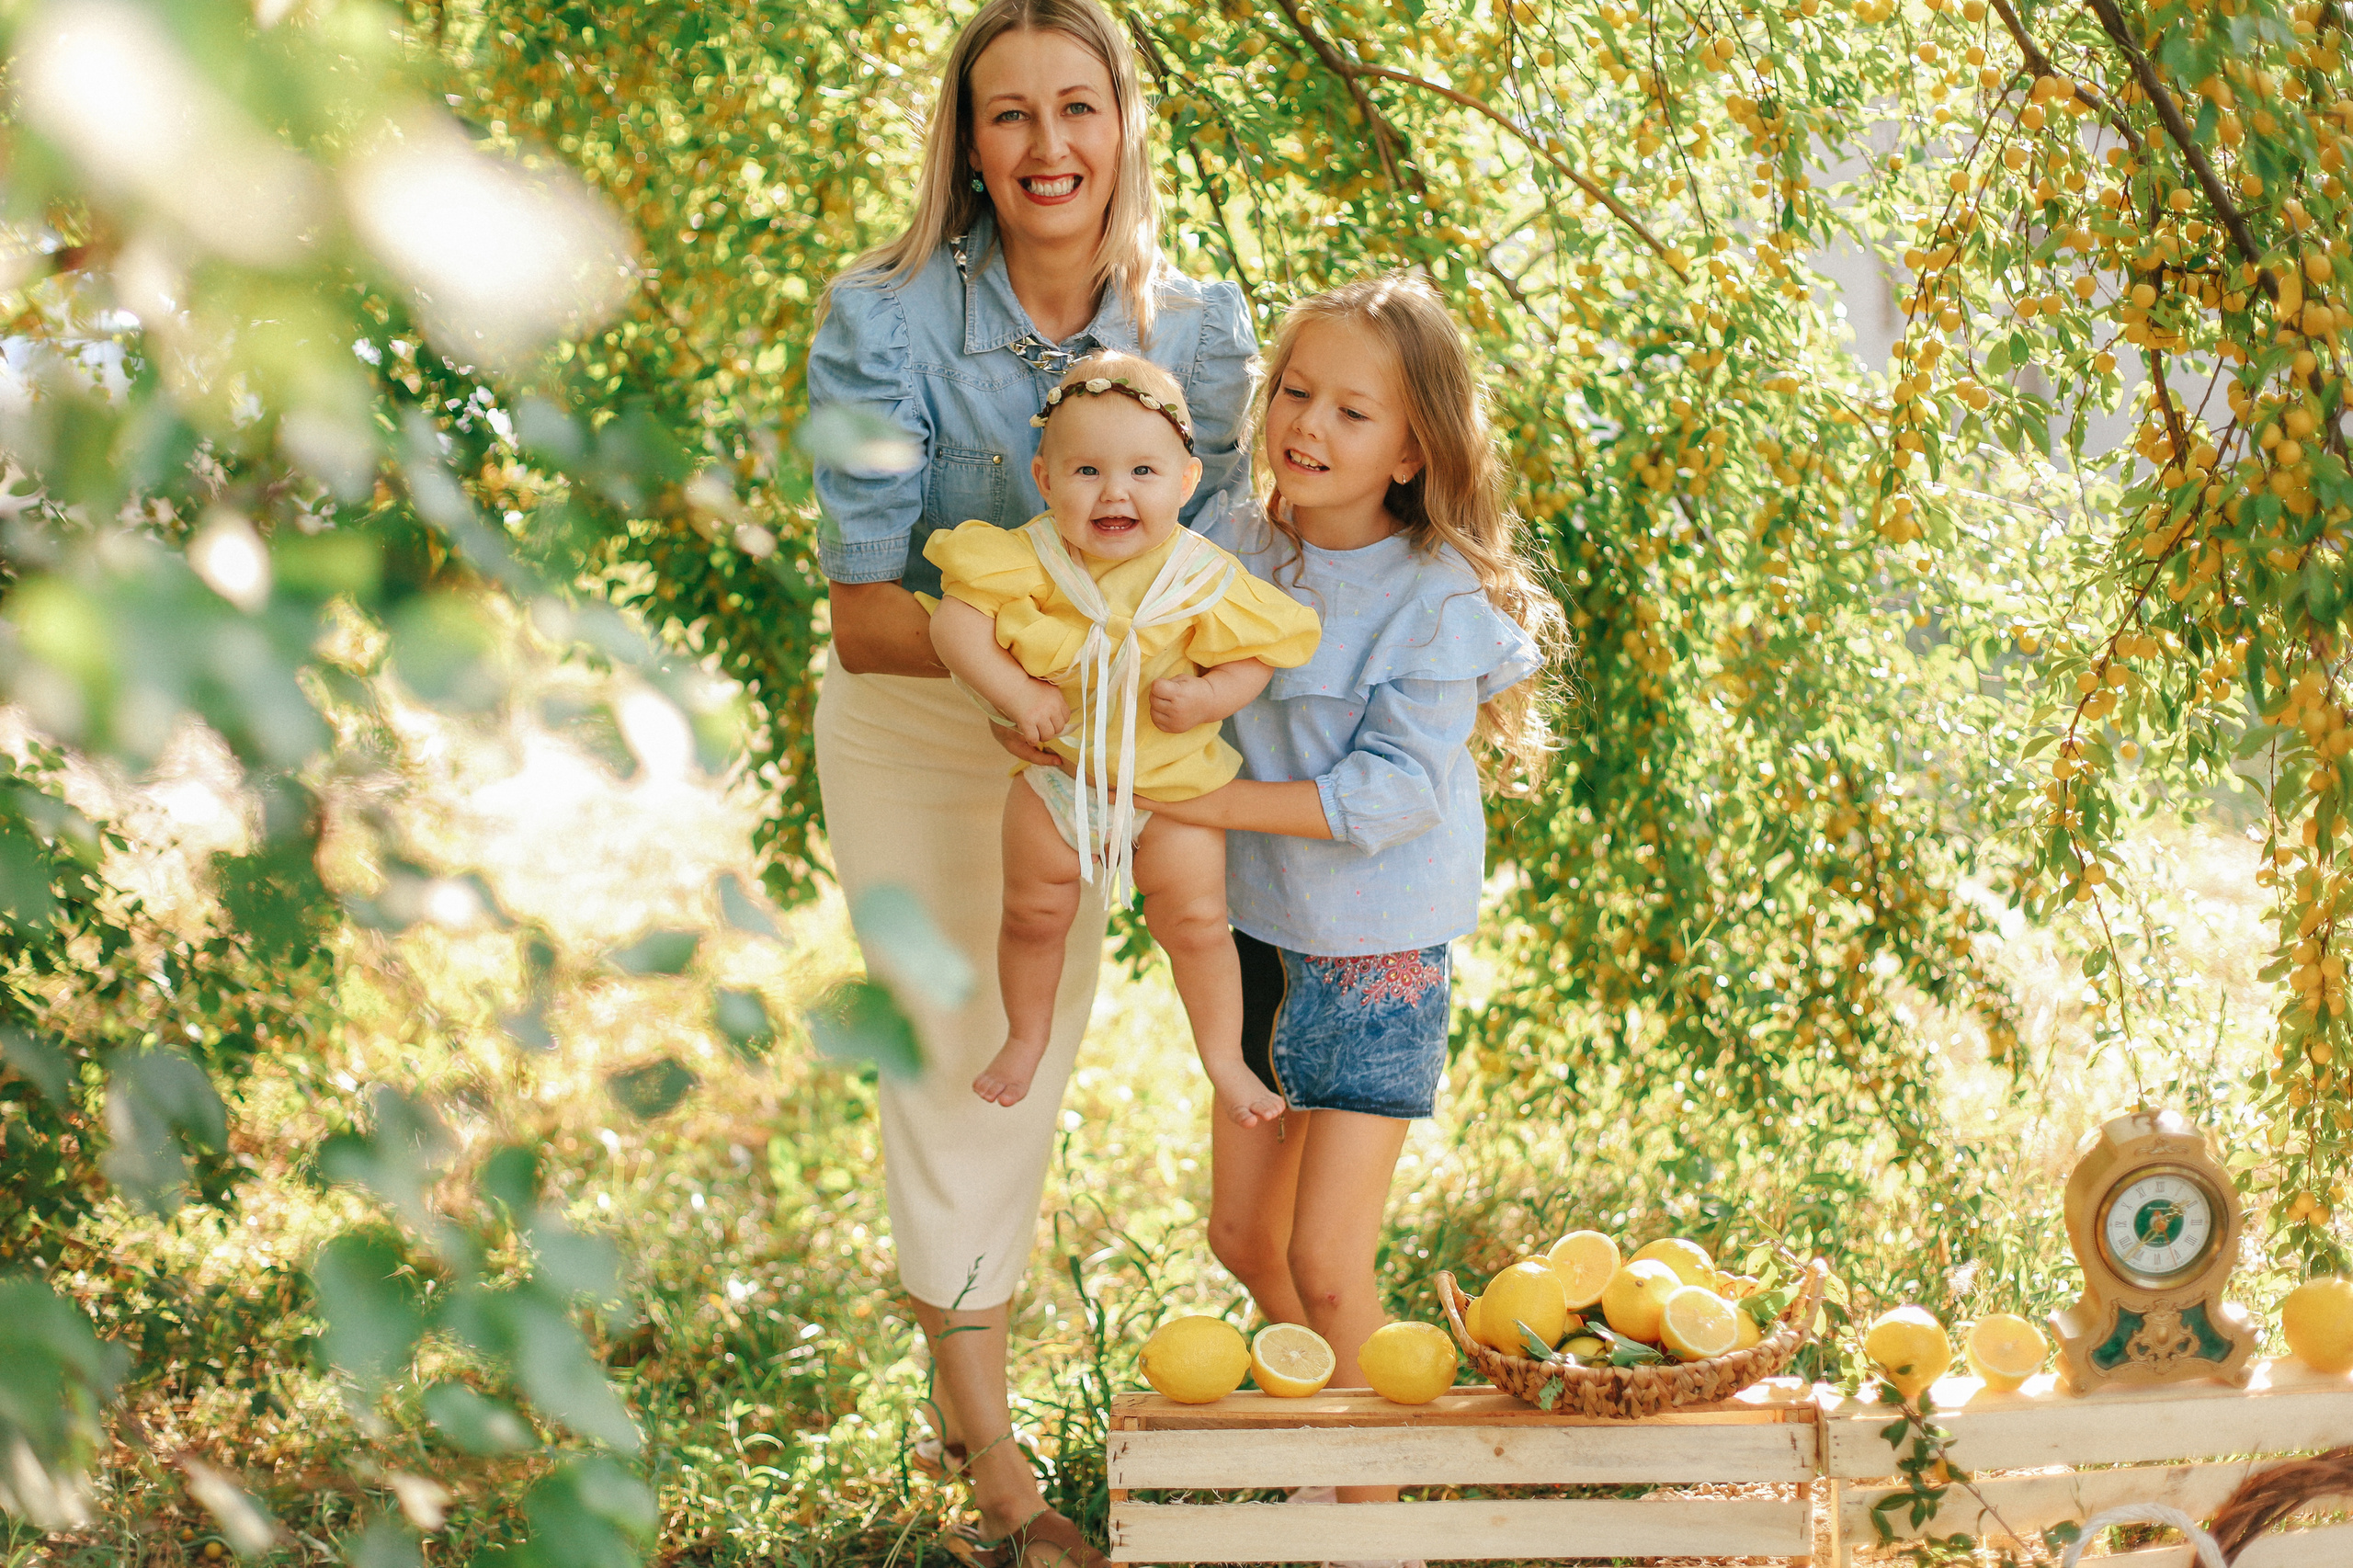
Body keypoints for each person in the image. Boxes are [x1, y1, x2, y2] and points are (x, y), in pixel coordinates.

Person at [801, 2, 1254, 1562]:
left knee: (1269, 995)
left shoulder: (1204, 328)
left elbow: (1249, 561)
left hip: (1154, 722)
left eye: (1080, 107)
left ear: (1127, 123)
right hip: (935, 723)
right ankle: (997, 1479)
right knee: (979, 1059)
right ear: (969, 144)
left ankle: (1314, 1370)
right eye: (1010, 116)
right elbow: (866, 620)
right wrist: (1036, 680)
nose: (1049, 147)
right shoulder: (886, 319)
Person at [1145, 274, 1565, 1540]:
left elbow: (1385, 797)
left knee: (1331, 1263)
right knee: (1239, 1233)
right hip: (1261, 938)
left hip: (1378, 954)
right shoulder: (1235, 541)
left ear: (1413, 448)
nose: (1307, 425)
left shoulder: (1435, 599)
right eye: (1293, 390)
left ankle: (1370, 1515)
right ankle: (1329, 1430)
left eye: (1351, 409)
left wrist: (1207, 803)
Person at [926, 352, 1320, 1125]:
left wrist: (1208, 693)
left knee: (1200, 924)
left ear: (1184, 482)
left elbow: (1258, 656)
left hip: (1171, 788)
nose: (1115, 491)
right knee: (1033, 915)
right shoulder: (1031, 558)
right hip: (1058, 776)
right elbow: (954, 624)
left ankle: (1225, 1064)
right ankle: (1027, 1036)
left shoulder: (1200, 575)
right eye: (1085, 472)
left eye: (1143, 471)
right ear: (1044, 480)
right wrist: (1014, 691)